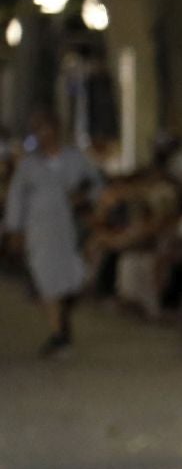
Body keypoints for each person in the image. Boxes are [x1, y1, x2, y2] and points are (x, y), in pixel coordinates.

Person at [3, 111, 102, 357]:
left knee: (72, 278)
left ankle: (63, 316)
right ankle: (59, 335)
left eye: (46, 129)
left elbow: (97, 184)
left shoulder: (75, 159)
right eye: (38, 130)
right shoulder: (28, 166)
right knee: (45, 279)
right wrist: (15, 229)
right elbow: (17, 197)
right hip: (39, 229)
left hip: (69, 228)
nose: (43, 135)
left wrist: (84, 198)